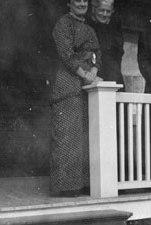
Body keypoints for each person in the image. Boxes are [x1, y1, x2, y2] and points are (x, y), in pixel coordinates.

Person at [50, 0, 102, 197]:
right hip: (68, 85)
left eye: (84, 0)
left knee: (87, 135)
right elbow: (66, 54)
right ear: (68, 3)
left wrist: (94, 70)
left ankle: (86, 184)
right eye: (77, 0)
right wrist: (85, 73)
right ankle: (67, 187)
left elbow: (98, 53)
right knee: (68, 135)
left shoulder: (89, 28)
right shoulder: (63, 24)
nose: (82, 3)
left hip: (87, 84)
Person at [86, 0, 125, 89]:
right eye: (101, 10)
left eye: (108, 11)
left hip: (113, 74)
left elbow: (118, 54)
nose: (104, 14)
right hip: (93, 75)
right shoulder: (87, 26)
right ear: (94, 9)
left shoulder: (115, 29)